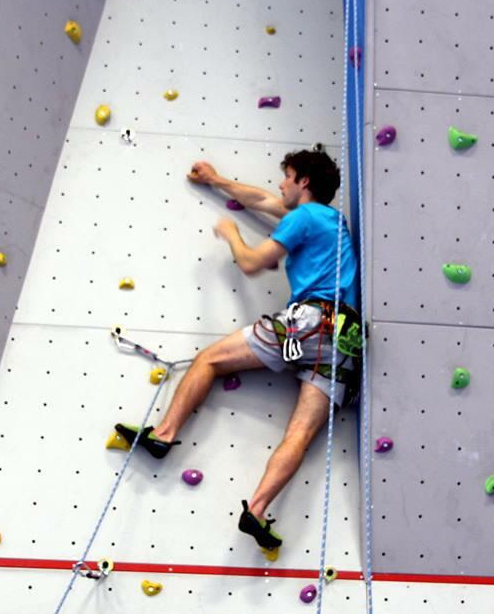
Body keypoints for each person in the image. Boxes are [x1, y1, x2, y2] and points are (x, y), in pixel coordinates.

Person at [113, 145, 363, 550]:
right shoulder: (331, 222)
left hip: (309, 323)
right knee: (299, 434)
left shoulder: (303, 217)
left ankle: (163, 434)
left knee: (209, 360)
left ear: (303, 182)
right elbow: (262, 200)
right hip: (343, 343)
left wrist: (230, 234)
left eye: (287, 177)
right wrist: (215, 180)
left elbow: (251, 263)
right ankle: (258, 510)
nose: (280, 184)